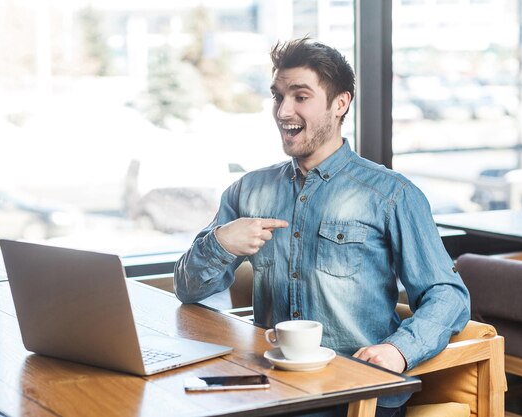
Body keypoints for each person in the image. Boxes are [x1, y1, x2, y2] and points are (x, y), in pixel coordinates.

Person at [174, 37, 470, 417]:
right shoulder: (247, 190)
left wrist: (400, 350)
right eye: (277, 96)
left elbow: (448, 295)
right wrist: (220, 243)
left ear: (340, 103)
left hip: (357, 392)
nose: (283, 111)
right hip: (273, 387)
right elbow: (187, 289)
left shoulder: (392, 195)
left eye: (300, 97)